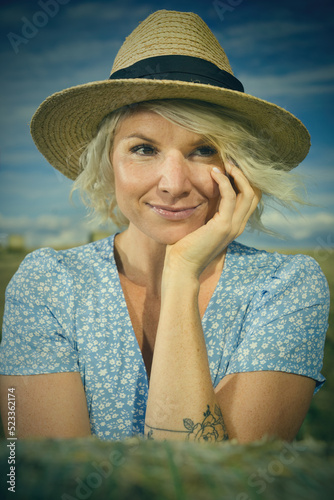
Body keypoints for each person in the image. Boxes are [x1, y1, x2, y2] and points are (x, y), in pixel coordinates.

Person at [0, 10, 329, 443]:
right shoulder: (48, 284)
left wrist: (180, 274)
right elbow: (42, 476)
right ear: (107, 164)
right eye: (143, 148)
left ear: (239, 170)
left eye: (203, 149)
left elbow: (214, 483)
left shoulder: (286, 288)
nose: (173, 185)